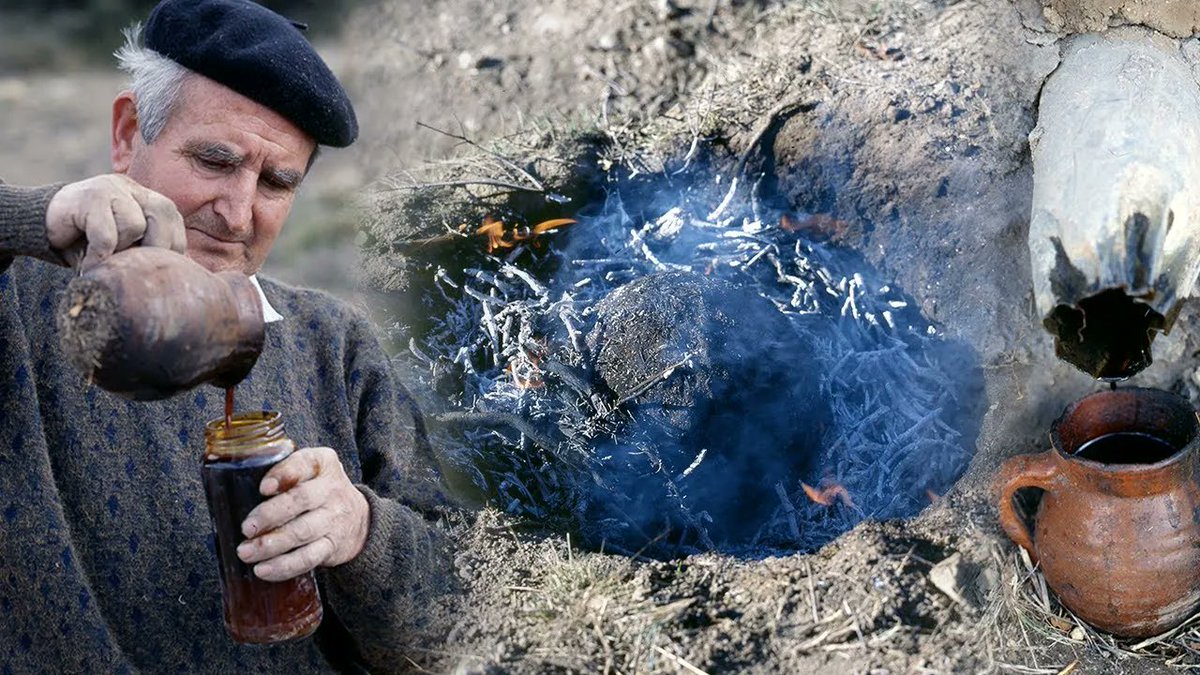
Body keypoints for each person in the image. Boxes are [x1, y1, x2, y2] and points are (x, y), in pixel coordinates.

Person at [0, 1, 456, 672]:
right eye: (215, 161)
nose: (239, 213)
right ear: (127, 133)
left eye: (276, 182)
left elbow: (462, 619)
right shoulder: (16, 298)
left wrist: (362, 531)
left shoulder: (335, 344)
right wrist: (32, 215)